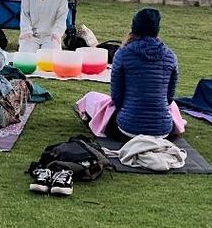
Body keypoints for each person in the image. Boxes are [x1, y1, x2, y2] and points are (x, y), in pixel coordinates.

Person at [77, 7, 185, 140]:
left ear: (134, 27)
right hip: (162, 131)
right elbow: (169, 98)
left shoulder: (123, 54)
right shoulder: (170, 56)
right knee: (172, 106)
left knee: (92, 98)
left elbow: (117, 97)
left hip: (128, 129)